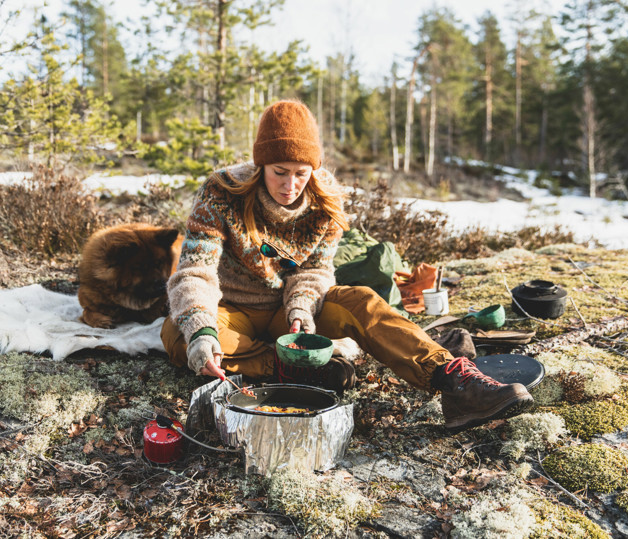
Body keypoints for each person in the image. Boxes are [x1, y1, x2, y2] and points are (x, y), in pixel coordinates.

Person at [161, 99, 533, 432]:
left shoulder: (326, 202)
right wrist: (203, 332)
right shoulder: (221, 192)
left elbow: (315, 272)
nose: (290, 185)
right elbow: (196, 270)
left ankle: (455, 381)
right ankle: (298, 368)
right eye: (279, 171)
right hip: (231, 311)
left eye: (300, 172)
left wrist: (301, 311)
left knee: (361, 300)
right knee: (178, 335)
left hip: (287, 312)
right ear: (260, 164)